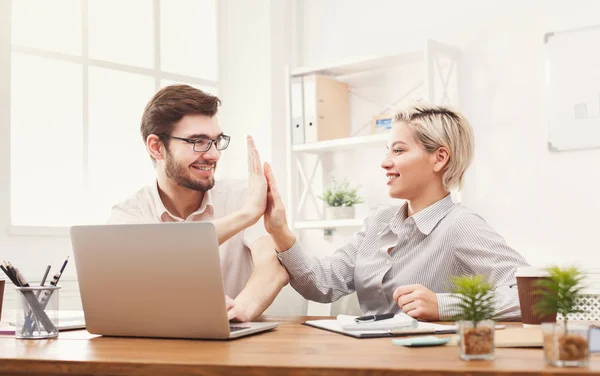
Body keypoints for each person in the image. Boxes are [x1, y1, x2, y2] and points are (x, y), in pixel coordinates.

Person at [262, 102, 530, 321]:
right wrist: (280, 230)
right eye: (387, 151)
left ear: (439, 158)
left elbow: (535, 296)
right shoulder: (379, 221)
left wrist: (445, 305)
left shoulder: (459, 225)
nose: (385, 162)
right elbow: (322, 283)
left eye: (399, 150)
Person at [108, 84, 288, 322]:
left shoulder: (242, 195)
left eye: (217, 141)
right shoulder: (129, 214)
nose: (213, 154)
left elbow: (272, 266)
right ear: (156, 147)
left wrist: (240, 310)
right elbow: (156, 257)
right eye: (198, 142)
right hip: (155, 345)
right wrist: (245, 215)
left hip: (235, 346)